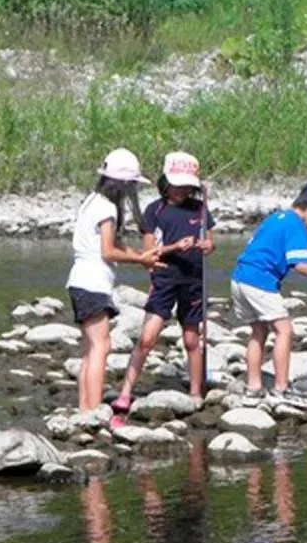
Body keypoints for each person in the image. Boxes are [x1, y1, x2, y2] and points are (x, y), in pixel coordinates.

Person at [112, 152, 214, 420]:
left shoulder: (200, 208)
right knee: (147, 338)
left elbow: (210, 243)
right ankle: (126, 392)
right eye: (177, 185)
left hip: (194, 280)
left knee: (192, 339)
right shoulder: (154, 211)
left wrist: (205, 245)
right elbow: (149, 254)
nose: (181, 191)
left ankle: (195, 392)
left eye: (186, 186)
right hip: (164, 280)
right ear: (166, 183)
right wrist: (175, 247)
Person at [231, 180, 307, 409]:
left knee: (258, 331)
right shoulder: (296, 226)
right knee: (284, 331)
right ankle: (281, 389)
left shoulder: (277, 218)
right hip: (260, 281)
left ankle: (253, 389)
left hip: (239, 278)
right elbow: (300, 264)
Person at [65, 148, 161, 413]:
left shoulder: (91, 201)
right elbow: (108, 251)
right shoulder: (107, 208)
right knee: (101, 347)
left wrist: (141, 255)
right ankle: (94, 409)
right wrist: (140, 261)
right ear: (123, 184)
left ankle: (84, 408)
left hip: (78, 281)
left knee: (89, 349)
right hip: (93, 283)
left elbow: (113, 244)